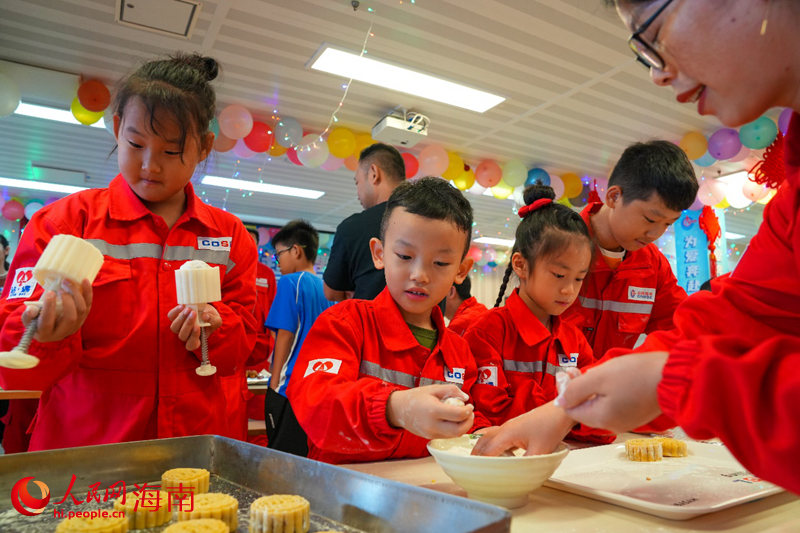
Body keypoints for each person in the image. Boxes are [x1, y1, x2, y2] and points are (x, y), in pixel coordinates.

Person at [476, 0, 800, 495]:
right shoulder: (793, 196)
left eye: (653, 27)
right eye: (643, 49)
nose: (658, 73)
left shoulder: (652, 267)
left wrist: (672, 376)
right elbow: (746, 312)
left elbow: (694, 327)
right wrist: (572, 404)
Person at [0, 53, 258, 451]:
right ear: (118, 128)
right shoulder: (67, 222)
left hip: (194, 448)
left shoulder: (229, 237)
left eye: (172, 152)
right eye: (136, 143)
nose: (150, 165)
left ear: (204, 147)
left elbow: (243, 347)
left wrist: (216, 327)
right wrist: (49, 336)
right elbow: (14, 356)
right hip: (88, 451)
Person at [287, 177, 489, 464]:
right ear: (379, 254)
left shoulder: (458, 352)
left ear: (461, 270)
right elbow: (316, 403)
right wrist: (396, 408)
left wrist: (483, 434)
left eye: (441, 263)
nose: (420, 274)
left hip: (425, 492)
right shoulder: (345, 324)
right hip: (345, 492)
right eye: (405, 256)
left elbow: (465, 416)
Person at [464, 185, 612, 444]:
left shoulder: (573, 340)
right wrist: (568, 408)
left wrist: (567, 412)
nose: (568, 290)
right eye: (558, 275)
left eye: (579, 278)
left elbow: (604, 418)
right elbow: (491, 414)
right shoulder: (488, 332)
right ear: (521, 265)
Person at [560, 140, 697, 359]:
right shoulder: (556, 245)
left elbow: (679, 331)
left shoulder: (654, 267)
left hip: (611, 390)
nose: (655, 234)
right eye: (650, 219)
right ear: (614, 196)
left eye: (668, 224)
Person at [323, 143, 405, 301]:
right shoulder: (433, 221)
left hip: (371, 323)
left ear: (374, 174)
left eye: (357, 182)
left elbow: (331, 292)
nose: (357, 192)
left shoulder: (353, 227)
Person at [265, 220, 333, 395]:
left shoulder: (290, 282)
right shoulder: (326, 288)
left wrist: (274, 383)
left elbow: (285, 335)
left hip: (290, 382)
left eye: (279, 254)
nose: (277, 261)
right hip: (317, 381)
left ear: (295, 250)